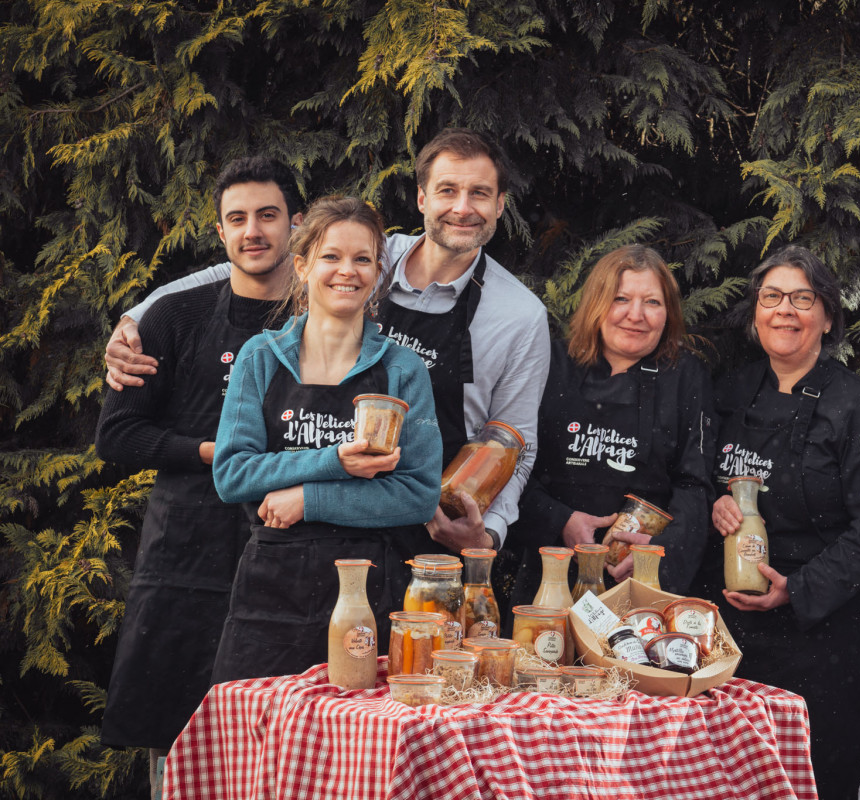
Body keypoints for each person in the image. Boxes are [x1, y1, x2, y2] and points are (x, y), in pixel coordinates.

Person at [104, 128, 550, 557]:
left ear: (500, 204)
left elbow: (515, 441)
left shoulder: (518, 314)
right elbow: (248, 266)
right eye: (448, 190)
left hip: (428, 521)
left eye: (480, 193)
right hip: (304, 517)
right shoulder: (372, 253)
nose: (462, 208)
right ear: (421, 198)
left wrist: (486, 533)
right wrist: (137, 316)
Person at [95, 156, 303, 788]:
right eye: (236, 219)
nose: (253, 232)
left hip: (284, 551)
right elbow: (118, 435)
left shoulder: (327, 321)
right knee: (172, 731)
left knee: (279, 740)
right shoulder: (172, 317)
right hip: (182, 550)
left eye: (268, 215)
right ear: (220, 233)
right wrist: (217, 455)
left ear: (296, 222)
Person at [702, 246, 860, 800]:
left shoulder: (859, 405)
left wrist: (799, 589)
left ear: (828, 316)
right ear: (754, 313)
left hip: (818, 630)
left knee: (811, 775)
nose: (784, 311)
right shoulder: (727, 394)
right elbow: (693, 480)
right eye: (771, 297)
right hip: (726, 631)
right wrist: (715, 505)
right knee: (727, 775)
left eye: (802, 299)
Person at [209, 195, 441, 682]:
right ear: (301, 265)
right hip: (270, 592)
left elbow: (418, 495)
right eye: (331, 257)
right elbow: (232, 474)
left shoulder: (402, 369)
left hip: (370, 589)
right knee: (260, 743)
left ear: (378, 274)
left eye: (363, 259)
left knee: (360, 745)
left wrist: (309, 499)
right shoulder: (261, 357)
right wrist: (334, 460)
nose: (347, 271)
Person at [511, 244, 715, 597]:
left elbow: (695, 485)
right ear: (596, 303)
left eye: (652, 302)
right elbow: (512, 462)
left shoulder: (686, 377)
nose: (636, 315)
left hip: (641, 580)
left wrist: (659, 553)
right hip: (551, 571)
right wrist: (559, 519)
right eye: (621, 299)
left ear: (668, 314)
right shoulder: (551, 363)